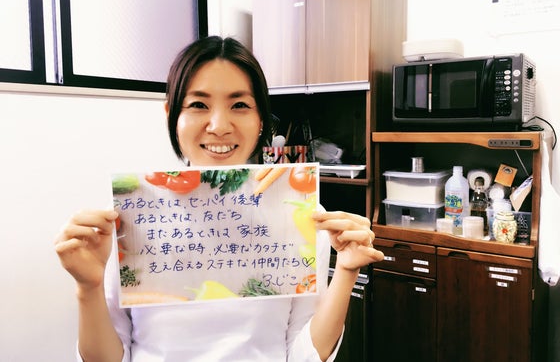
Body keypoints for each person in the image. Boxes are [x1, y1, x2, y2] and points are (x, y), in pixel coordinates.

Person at [55, 35, 384, 362]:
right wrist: (88, 288)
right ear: (172, 114)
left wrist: (346, 270)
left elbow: (303, 355)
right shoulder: (128, 218)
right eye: (198, 105)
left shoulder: (299, 215)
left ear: (261, 119)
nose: (219, 126)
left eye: (239, 105)